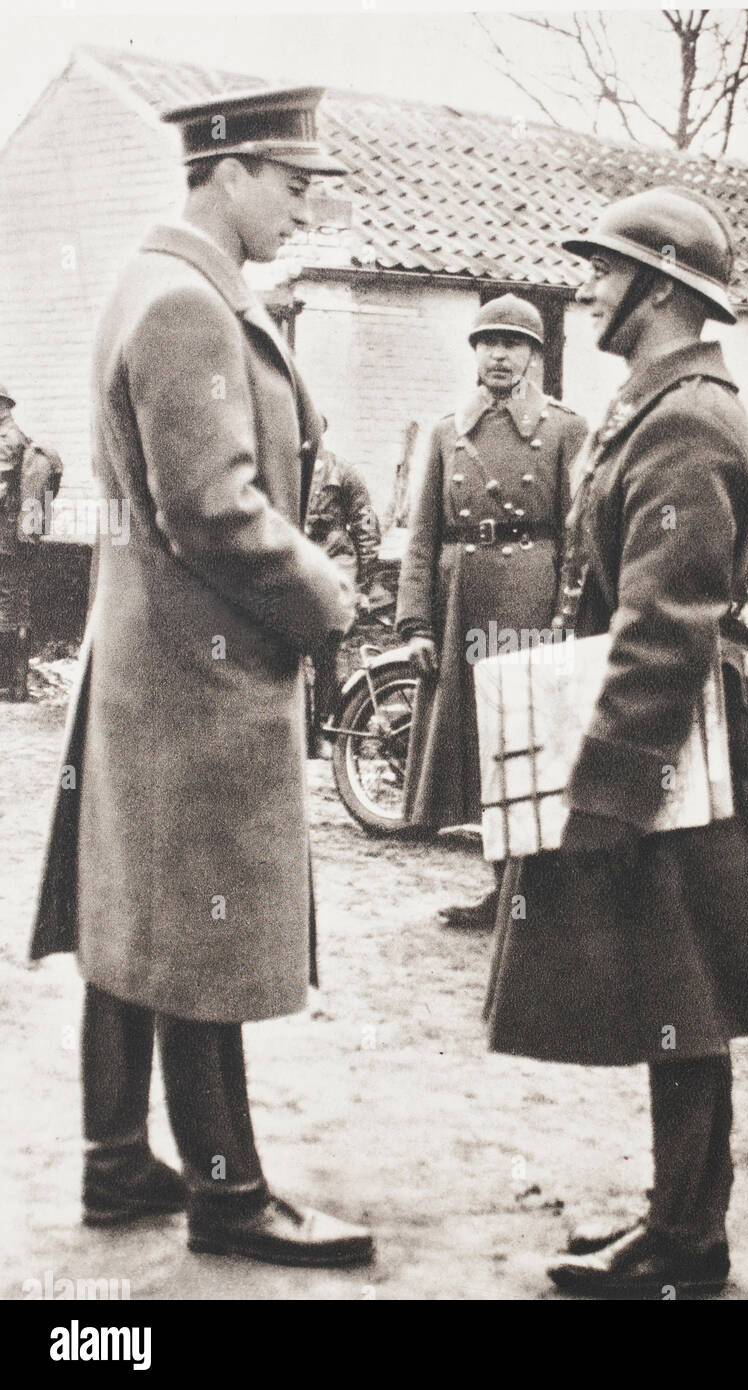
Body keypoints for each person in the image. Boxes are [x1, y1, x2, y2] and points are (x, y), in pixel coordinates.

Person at [29, 86, 374, 1269]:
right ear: (227, 172)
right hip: (198, 670)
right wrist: (325, 598)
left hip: (154, 658)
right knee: (203, 934)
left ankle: (118, 1159)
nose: (303, 207)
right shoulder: (185, 304)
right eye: (292, 184)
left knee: (136, 920)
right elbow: (215, 510)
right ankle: (229, 1194)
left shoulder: (152, 281)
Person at [484, 187, 748, 1297]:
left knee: (683, 1001)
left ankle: (686, 1240)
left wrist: (601, 796)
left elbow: (663, 626)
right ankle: (679, 1225)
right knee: (674, 1000)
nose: (584, 284)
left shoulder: (686, 416)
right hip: (672, 761)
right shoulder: (661, 403)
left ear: (661, 284)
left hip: (678, 768)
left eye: (602, 267)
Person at [395, 294, 587, 928]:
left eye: (514, 344)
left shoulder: (564, 429)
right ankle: (499, 889)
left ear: (535, 354)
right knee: (474, 743)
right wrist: (417, 622)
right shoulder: (447, 430)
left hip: (529, 594)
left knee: (522, 738)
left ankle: (526, 891)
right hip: (461, 601)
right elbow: (423, 532)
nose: (499, 355)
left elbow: (576, 533)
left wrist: (566, 617)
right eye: (488, 342)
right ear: (474, 351)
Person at [305, 425, 388, 743]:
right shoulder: (288, 471)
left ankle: (325, 729)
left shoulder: (343, 472)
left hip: (335, 561)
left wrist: (364, 583)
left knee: (328, 648)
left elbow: (366, 524)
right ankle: (300, 732)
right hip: (299, 559)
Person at [0, 388, 60, 699]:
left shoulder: (8, 439)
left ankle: (15, 686)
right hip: (12, 538)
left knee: (12, 608)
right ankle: (13, 685)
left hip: (8, 540)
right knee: (13, 606)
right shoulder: (11, 436)